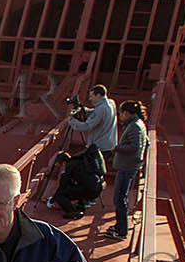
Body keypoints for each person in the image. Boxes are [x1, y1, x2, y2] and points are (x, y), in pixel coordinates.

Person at [103, 101, 148, 241]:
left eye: (121, 113)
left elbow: (135, 147)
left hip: (127, 167)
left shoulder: (134, 126)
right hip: (129, 166)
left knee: (119, 198)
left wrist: (117, 148)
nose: (120, 116)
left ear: (126, 113)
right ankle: (119, 226)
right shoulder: (138, 124)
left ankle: (121, 230)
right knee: (121, 197)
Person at [64, 84, 118, 175]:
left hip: (100, 146)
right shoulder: (110, 103)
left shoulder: (101, 108)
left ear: (98, 95)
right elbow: (95, 114)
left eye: (92, 96)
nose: (90, 99)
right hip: (108, 144)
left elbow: (86, 126)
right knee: (97, 170)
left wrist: (71, 121)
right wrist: (84, 110)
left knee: (91, 171)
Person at [49, 141, 105, 219]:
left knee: (60, 195)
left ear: (63, 162)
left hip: (90, 190)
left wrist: (53, 199)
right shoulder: (78, 161)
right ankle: (80, 206)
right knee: (76, 187)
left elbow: (62, 185)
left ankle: (73, 211)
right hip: (98, 186)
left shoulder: (69, 167)